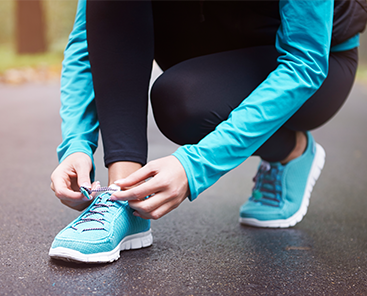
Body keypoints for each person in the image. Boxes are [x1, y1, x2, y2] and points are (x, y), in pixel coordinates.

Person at [49, 0, 367, 263]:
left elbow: (304, 64)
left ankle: (292, 150)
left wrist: (194, 166)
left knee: (184, 107)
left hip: (313, 58)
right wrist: (77, 143)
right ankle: (123, 195)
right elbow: (88, 37)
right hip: (205, 42)